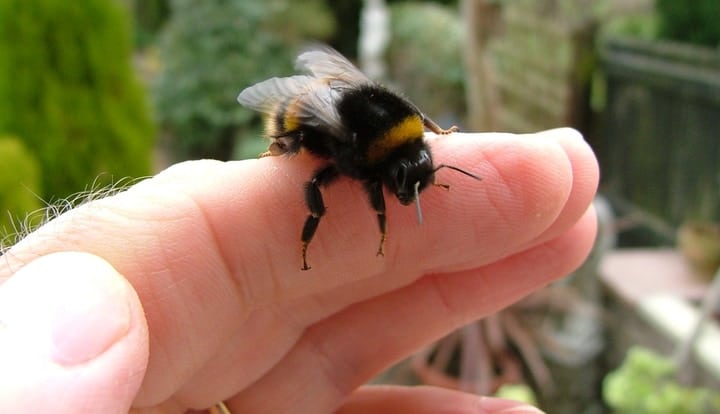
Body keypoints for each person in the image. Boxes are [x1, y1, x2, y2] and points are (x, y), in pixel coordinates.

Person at [0, 128, 599, 413]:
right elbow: (340, 178)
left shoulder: (399, 133)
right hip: (314, 127)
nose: (404, 188)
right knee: (317, 181)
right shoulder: (363, 152)